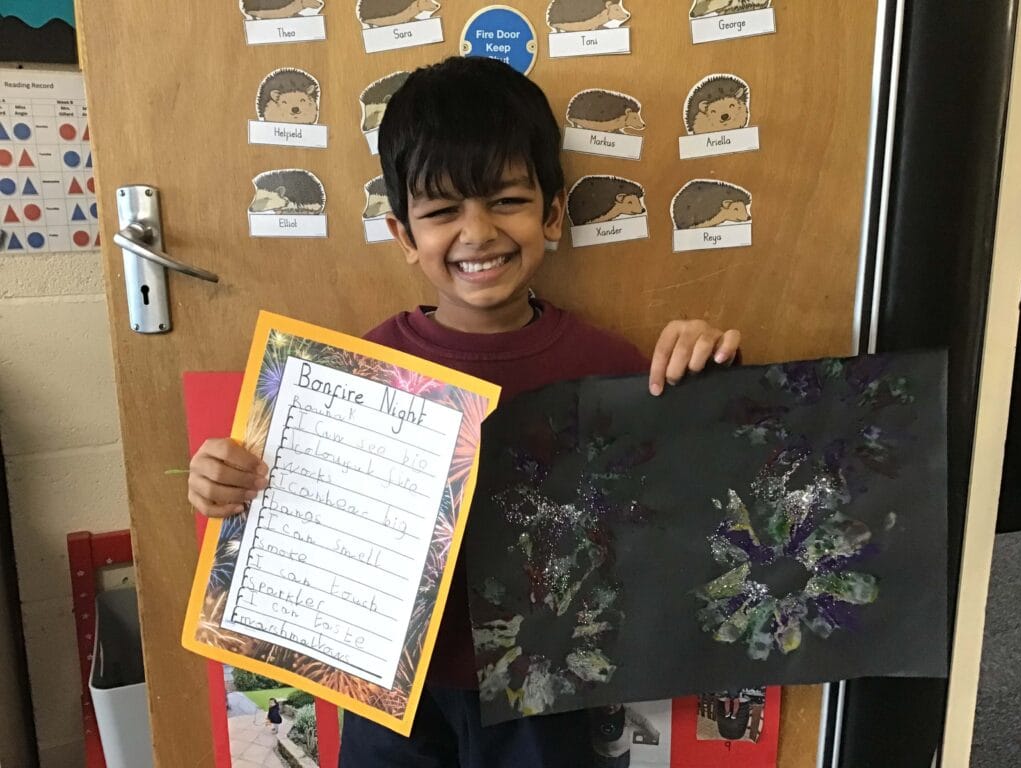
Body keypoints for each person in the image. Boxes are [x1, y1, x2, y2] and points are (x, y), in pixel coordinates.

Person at [187, 56, 741, 767]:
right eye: (442, 212)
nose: (476, 232)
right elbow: (278, 504)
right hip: (390, 689)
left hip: (546, 689)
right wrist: (219, 482)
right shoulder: (355, 374)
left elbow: (689, 505)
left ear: (551, 214)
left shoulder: (609, 366)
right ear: (404, 236)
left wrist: (705, 382)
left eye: (505, 200)